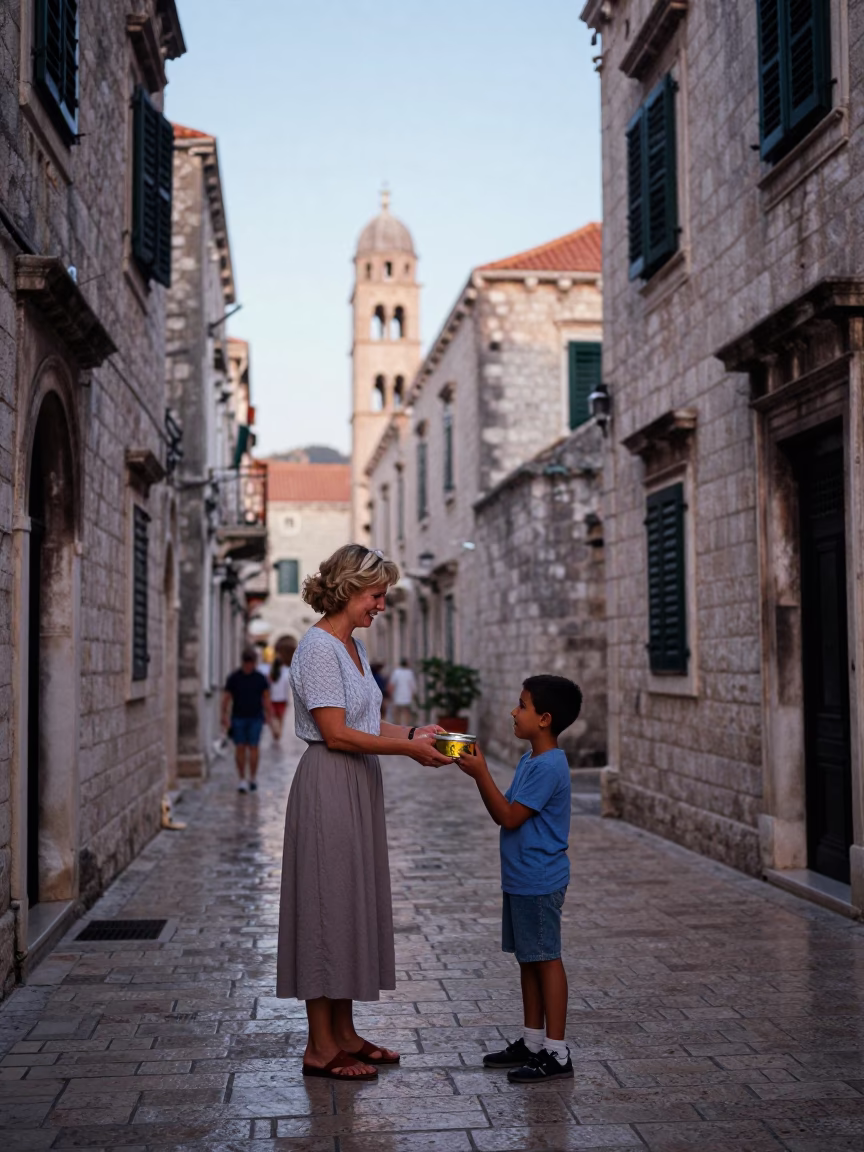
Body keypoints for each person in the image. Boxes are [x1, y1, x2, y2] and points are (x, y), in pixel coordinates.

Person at [277, 544, 454, 1082]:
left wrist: (416, 733)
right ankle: (319, 1046)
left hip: (356, 782)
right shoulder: (318, 649)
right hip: (329, 782)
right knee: (325, 906)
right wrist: (409, 751)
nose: (381, 605)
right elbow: (334, 732)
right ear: (350, 590)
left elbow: (365, 721)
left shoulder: (350, 648)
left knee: (348, 903)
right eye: (376, 595)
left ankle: (346, 1034)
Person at [456, 674, 583, 1084]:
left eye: (522, 705)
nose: (514, 711)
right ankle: (532, 1042)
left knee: (546, 959)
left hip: (539, 878)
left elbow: (508, 816)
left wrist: (480, 774)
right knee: (528, 959)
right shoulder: (531, 760)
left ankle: (557, 1052)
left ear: (544, 718)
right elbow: (510, 806)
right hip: (522, 877)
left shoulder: (548, 766)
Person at [222, 646, 275, 793]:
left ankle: (252, 777)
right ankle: (242, 779)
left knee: (253, 747)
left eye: (251, 662)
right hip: (238, 717)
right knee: (240, 748)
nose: (249, 665)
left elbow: (266, 698)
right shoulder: (234, 678)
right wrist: (224, 716)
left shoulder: (260, 679)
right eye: (247, 662)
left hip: (255, 718)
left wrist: (269, 715)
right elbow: (226, 698)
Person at [387, 658, 417, 727]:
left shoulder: (396, 672)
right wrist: (413, 696)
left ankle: (398, 726)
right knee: (406, 712)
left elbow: (391, 685)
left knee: (397, 713)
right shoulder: (410, 673)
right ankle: (406, 726)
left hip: (397, 696)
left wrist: (390, 695)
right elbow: (413, 686)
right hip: (407, 697)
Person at [269, 655, 292, 741]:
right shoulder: (285, 673)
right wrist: (287, 698)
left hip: (273, 698)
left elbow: (269, 687)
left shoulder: (271, 674)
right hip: (282, 699)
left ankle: (276, 730)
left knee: (274, 716)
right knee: (280, 717)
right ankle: (279, 732)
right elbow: (287, 687)